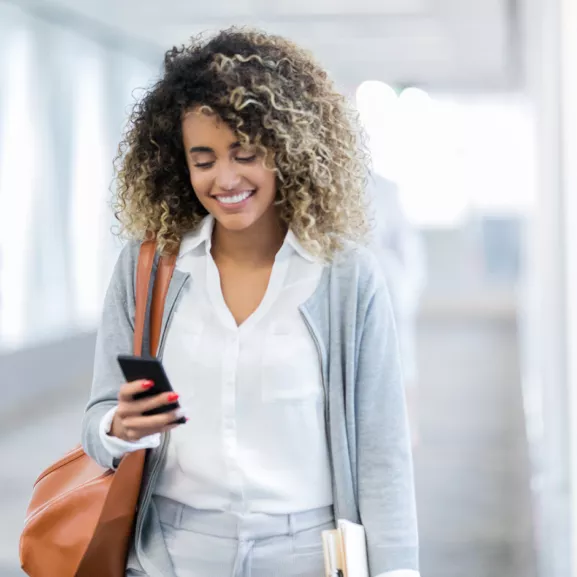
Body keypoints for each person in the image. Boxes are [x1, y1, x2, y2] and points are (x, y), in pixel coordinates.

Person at [81, 28, 419, 577]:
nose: (226, 177)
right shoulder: (148, 267)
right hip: (172, 551)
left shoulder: (346, 278)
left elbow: (382, 455)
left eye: (246, 153)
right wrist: (118, 428)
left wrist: (399, 569)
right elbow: (98, 419)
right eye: (204, 158)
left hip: (308, 553)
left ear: (287, 151)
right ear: (179, 162)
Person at [366, 173, 426, 446]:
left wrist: (402, 296)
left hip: (387, 290)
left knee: (400, 358)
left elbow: (411, 261)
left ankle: (405, 430)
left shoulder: (385, 190)